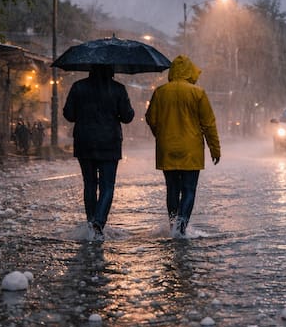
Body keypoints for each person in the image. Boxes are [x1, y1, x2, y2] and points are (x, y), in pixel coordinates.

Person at [145, 55, 221, 238]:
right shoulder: (198, 93)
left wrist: (161, 135)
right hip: (191, 149)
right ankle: (181, 227)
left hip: (167, 148)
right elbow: (208, 124)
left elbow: (151, 118)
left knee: (172, 188)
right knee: (188, 189)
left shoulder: (160, 92)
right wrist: (214, 148)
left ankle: (173, 225)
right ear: (190, 71)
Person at [63, 65, 135, 241]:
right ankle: (99, 222)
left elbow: (69, 114)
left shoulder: (78, 86)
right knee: (107, 185)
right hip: (110, 143)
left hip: (84, 141)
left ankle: (90, 224)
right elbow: (127, 116)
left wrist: (84, 113)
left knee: (89, 184)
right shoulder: (118, 89)